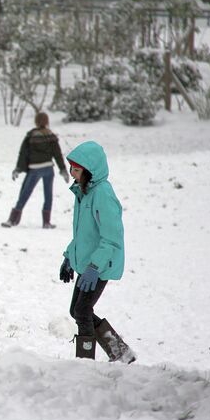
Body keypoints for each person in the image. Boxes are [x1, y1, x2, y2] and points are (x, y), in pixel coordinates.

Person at [59, 141, 135, 363]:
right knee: (76, 310)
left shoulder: (102, 194)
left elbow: (112, 238)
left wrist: (94, 267)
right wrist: (68, 256)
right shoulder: (84, 192)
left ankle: (85, 363)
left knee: (82, 310)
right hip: (88, 262)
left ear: (89, 170)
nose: (72, 173)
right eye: (71, 168)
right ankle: (121, 352)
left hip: (100, 264)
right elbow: (84, 235)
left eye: (76, 169)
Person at [2, 112, 69, 229]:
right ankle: (46, 222)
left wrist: (18, 168)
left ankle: (12, 219)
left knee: (25, 194)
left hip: (34, 169)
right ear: (47, 122)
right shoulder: (51, 136)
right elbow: (58, 154)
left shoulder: (30, 136)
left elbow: (23, 154)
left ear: (36, 122)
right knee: (48, 195)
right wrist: (63, 169)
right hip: (48, 168)